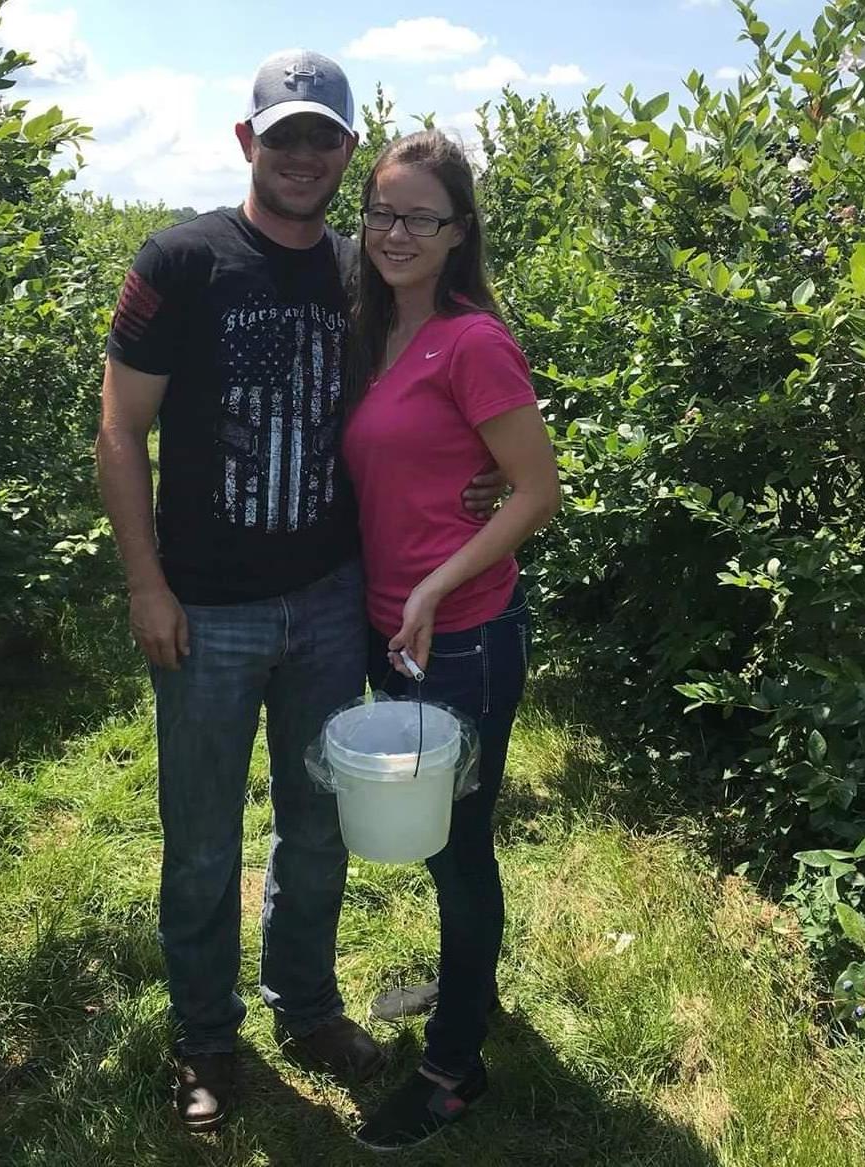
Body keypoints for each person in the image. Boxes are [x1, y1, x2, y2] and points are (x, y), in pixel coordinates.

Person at [95, 51, 501, 1133]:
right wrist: (146, 583)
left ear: (347, 152)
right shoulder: (182, 261)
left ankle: (307, 1006)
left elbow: (437, 383)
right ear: (248, 142)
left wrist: (483, 475)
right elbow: (120, 428)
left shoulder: (364, 271)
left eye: (324, 137)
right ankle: (205, 1035)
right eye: (285, 136)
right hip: (206, 608)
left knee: (317, 822)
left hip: (328, 598)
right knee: (200, 836)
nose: (304, 156)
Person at [339, 129, 560, 1151]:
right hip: (394, 631)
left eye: (420, 217)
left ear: (458, 231)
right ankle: (473, 991)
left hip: (461, 637)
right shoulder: (374, 329)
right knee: (438, 843)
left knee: (459, 849)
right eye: (381, 211)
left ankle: (454, 1068)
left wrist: (434, 582)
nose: (395, 232)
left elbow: (536, 490)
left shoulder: (471, 342)